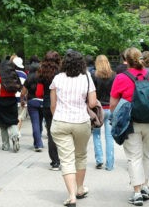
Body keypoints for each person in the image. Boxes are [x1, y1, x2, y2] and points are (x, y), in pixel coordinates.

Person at [110, 47, 149, 206]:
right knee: (147, 153)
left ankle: (137, 192)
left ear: (126, 60)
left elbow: (112, 104)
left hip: (131, 122)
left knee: (134, 156)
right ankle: (145, 186)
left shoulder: (121, 77)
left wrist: (117, 117)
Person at [50, 50, 97, 207]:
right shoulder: (87, 77)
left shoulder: (57, 78)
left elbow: (53, 105)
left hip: (60, 122)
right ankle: (80, 188)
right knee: (81, 156)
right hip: (81, 122)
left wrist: (59, 116)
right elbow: (91, 103)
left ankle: (71, 197)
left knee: (66, 159)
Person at [0, 60, 22, 152]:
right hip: (12, 101)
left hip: (2, 102)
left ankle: (5, 145)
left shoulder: (0, 78)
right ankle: (15, 136)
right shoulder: (14, 76)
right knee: (13, 121)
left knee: (3, 124)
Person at [37, 51, 61, 170]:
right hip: (59, 104)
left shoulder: (41, 71)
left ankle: (54, 161)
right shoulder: (60, 72)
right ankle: (62, 158)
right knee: (61, 132)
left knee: (51, 133)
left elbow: (39, 90)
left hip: (46, 103)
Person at [91, 55, 116, 171]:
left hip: (98, 110)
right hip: (110, 108)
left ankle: (99, 159)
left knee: (96, 135)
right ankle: (110, 163)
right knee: (109, 137)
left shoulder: (94, 75)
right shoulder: (114, 75)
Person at [20, 61, 44, 152]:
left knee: (35, 123)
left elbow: (23, 92)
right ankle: (38, 141)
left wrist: (22, 100)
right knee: (40, 122)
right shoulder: (42, 78)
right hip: (42, 102)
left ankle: (38, 143)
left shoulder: (28, 79)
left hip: (32, 102)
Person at [13, 56, 27, 137]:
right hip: (21, 97)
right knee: (20, 116)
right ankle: (18, 131)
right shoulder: (24, 74)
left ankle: (14, 130)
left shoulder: (11, 74)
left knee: (13, 115)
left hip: (12, 97)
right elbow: (26, 88)